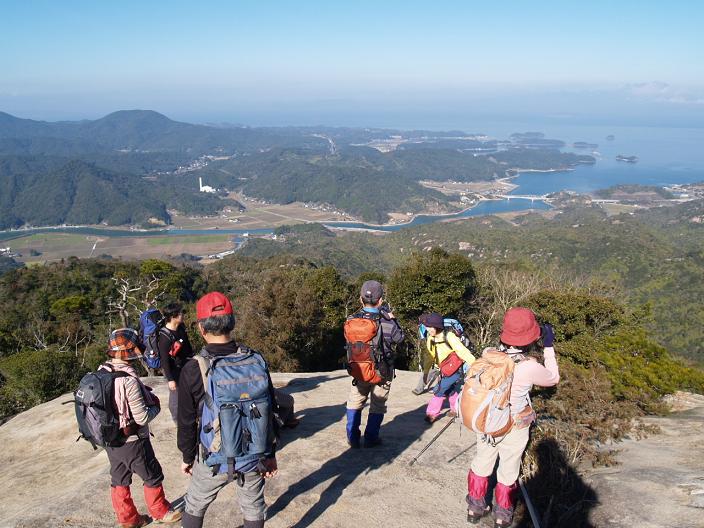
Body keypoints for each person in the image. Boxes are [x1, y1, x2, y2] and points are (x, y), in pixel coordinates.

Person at [177, 292, 278, 528]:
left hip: (214, 456)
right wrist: (270, 453)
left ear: (201, 328)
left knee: (194, 503)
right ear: (231, 323)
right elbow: (271, 409)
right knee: (253, 506)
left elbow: (186, 421)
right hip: (254, 454)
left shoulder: (194, 368)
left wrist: (187, 457)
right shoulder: (255, 359)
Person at [466, 307, 560, 527]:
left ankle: (475, 507)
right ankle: (502, 514)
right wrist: (548, 347)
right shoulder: (529, 367)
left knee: (482, 462)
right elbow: (553, 378)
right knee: (508, 468)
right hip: (514, 425)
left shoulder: (489, 355)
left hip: (487, 421)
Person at [102, 328, 182, 528]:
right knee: (151, 474)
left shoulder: (103, 371)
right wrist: (155, 406)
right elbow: (142, 417)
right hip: (132, 440)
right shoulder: (128, 380)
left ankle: (128, 519)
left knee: (119, 477)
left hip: (110, 439)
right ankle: (160, 511)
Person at [345, 280, 405, 448]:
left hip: (359, 369)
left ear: (360, 299)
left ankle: (353, 437)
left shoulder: (351, 320)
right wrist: (394, 319)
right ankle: (371, 438)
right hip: (382, 372)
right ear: (380, 300)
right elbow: (399, 338)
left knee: (355, 401)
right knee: (377, 404)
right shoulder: (388, 322)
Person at [419, 312, 476, 423]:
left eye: (431, 327)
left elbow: (463, 352)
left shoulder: (449, 336)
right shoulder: (430, 338)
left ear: (438, 326)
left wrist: (475, 364)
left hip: (456, 370)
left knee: (439, 390)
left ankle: (432, 414)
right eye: (427, 326)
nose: (428, 329)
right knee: (448, 390)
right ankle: (456, 409)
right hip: (444, 369)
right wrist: (426, 372)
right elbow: (429, 357)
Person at [156, 302, 194, 422]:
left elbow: (188, 348)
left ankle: (190, 417)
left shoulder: (181, 329)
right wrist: (170, 379)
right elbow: (164, 360)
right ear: (173, 316)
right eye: (180, 313)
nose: (183, 315)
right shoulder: (164, 336)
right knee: (176, 399)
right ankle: (178, 421)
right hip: (175, 371)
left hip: (186, 366)